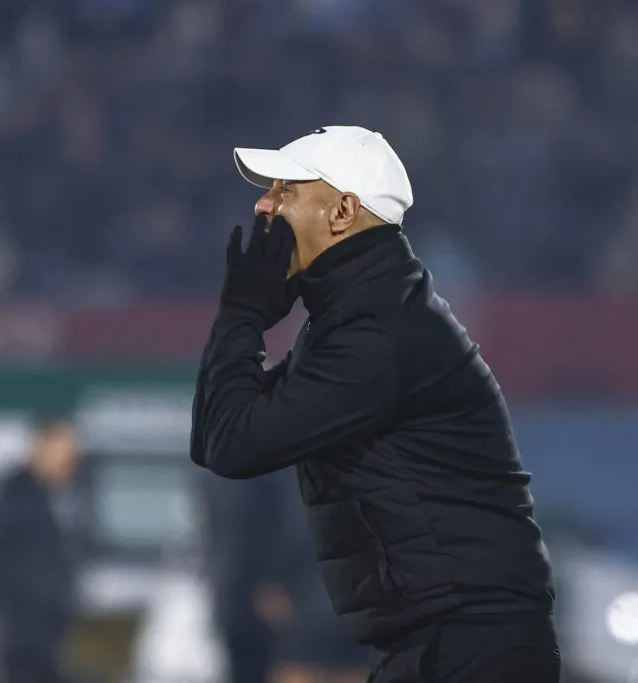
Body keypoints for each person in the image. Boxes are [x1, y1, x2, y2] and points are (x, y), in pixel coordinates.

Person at [189, 125, 559, 682]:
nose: (264, 204)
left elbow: (232, 444)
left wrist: (243, 313)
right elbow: (219, 434)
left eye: (286, 190)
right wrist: (247, 315)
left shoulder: (376, 332)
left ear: (342, 212)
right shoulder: (362, 315)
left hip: (467, 649)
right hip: (450, 643)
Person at [0, 419, 80, 683]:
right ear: (39, 449)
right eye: (64, 451)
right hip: (23, 639)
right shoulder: (18, 500)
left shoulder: (44, 498)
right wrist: (12, 624)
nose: (71, 460)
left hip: (37, 638)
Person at [201, 469, 307, 683]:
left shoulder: (267, 460)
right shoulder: (214, 461)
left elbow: (290, 522)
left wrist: (273, 579)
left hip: (264, 598)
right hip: (231, 595)